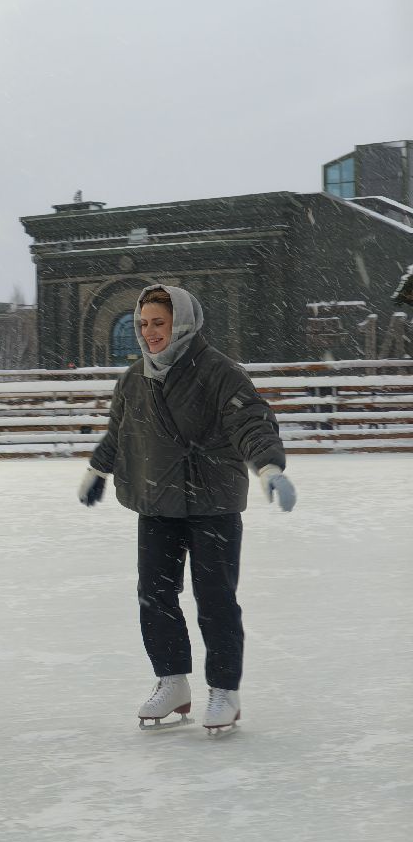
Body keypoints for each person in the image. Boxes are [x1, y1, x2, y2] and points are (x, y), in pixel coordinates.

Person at [76, 284, 296, 734]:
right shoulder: (135, 376)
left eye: (160, 322)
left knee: (215, 599)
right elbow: (120, 431)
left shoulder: (218, 371)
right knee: (154, 596)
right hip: (156, 501)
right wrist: (97, 470)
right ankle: (173, 681)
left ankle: (223, 691)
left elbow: (250, 421)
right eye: (143, 324)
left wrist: (269, 466)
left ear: (183, 322)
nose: (150, 332)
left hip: (210, 501)